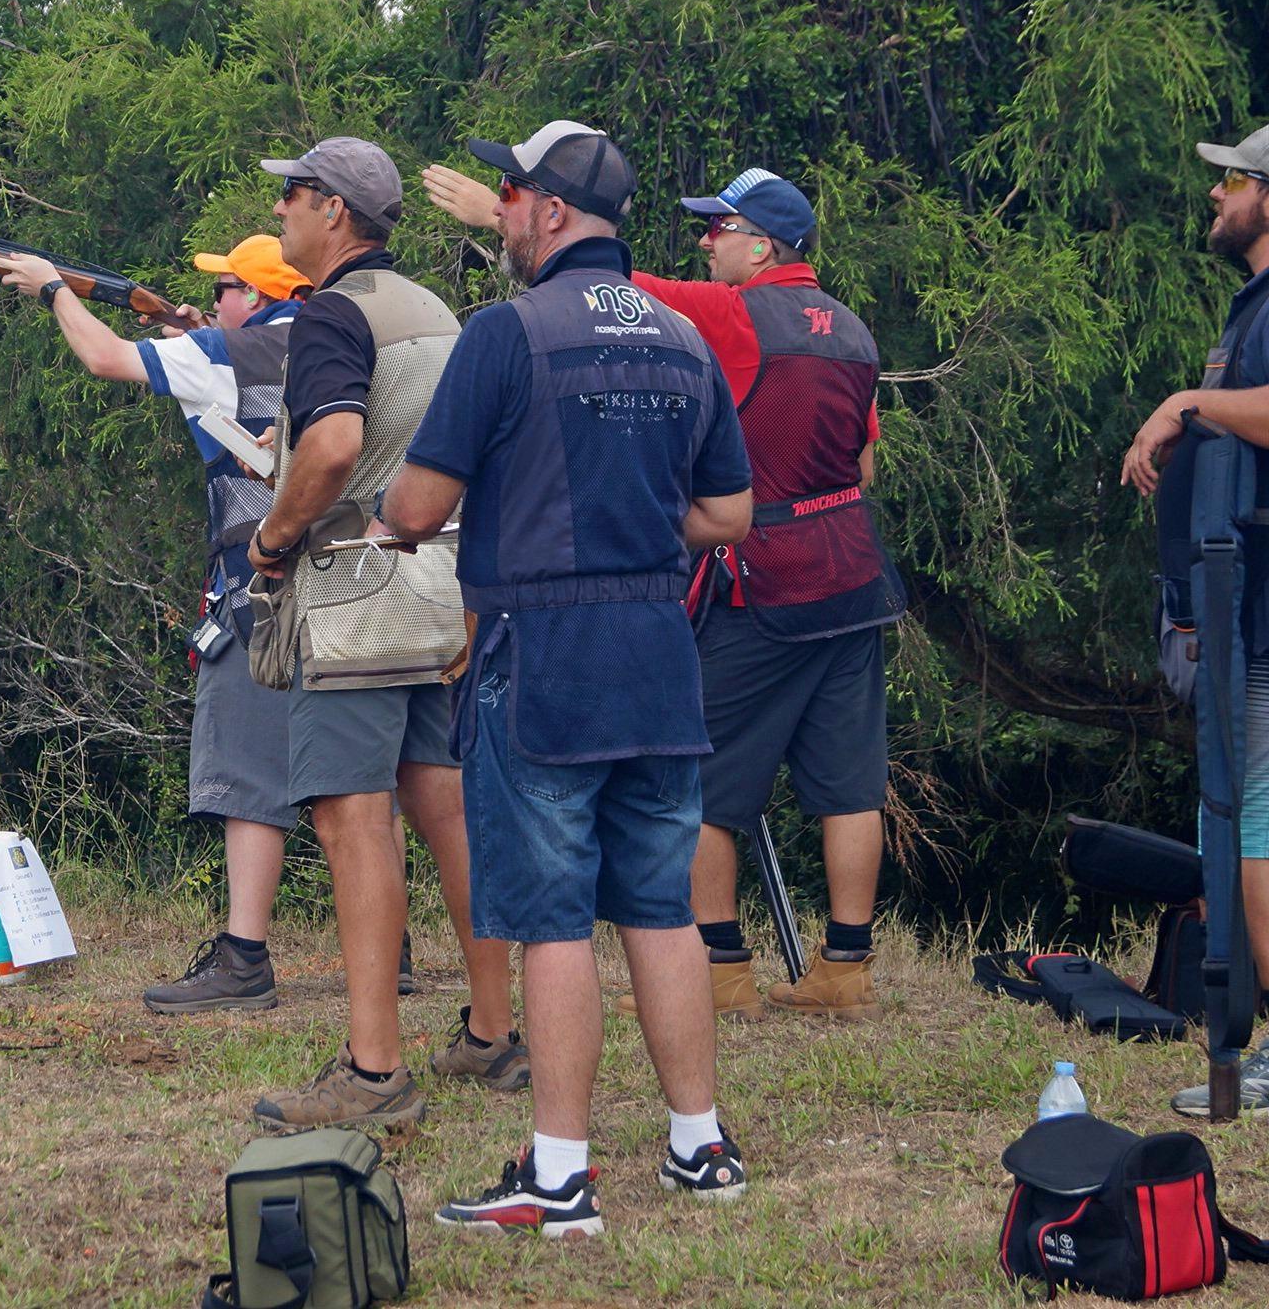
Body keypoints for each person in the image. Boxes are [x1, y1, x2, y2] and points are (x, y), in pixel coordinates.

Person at [385, 119, 754, 1236]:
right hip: (656, 656)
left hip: (541, 656)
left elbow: (414, 507)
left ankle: (559, 1176)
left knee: (551, 918)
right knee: (660, 903)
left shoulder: (507, 333)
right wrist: (637, 529)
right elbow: (731, 511)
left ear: (549, 210)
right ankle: (700, 1147)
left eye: (507, 193)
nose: (498, 210)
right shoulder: (684, 337)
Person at [243, 136, 523, 1134]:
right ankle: (493, 1031)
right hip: (446, 588)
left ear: (331, 210)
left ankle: (372, 1071)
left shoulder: (330, 313)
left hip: (358, 595)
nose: (279, 211)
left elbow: (332, 444)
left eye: (291, 195)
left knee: (350, 818)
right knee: (445, 806)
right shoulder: (434, 314)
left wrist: (276, 536)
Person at [0, 232, 316, 1014]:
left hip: (258, 590)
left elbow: (103, 358)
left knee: (244, 774)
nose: (218, 297)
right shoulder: (336, 346)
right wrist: (194, 343)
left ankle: (244, 957)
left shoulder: (223, 352)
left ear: (259, 298)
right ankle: (391, 946)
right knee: (353, 771)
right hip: (348, 591)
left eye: (229, 286)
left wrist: (51, 288)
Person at [608, 167, 907, 1020]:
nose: (707, 243)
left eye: (720, 228)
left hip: (766, 579)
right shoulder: (853, 331)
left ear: (762, 244)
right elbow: (862, 466)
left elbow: (621, 286)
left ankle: (717, 967)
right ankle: (845, 970)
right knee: (849, 782)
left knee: (698, 777)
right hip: (853, 575)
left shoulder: (738, 313)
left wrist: (510, 215)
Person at [1121, 122, 1269, 1116]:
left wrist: (1187, 401)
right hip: (1238, 606)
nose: (1215, 198)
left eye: (1233, 184)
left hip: (1263, 612)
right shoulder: (1253, 303)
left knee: (1257, 819)